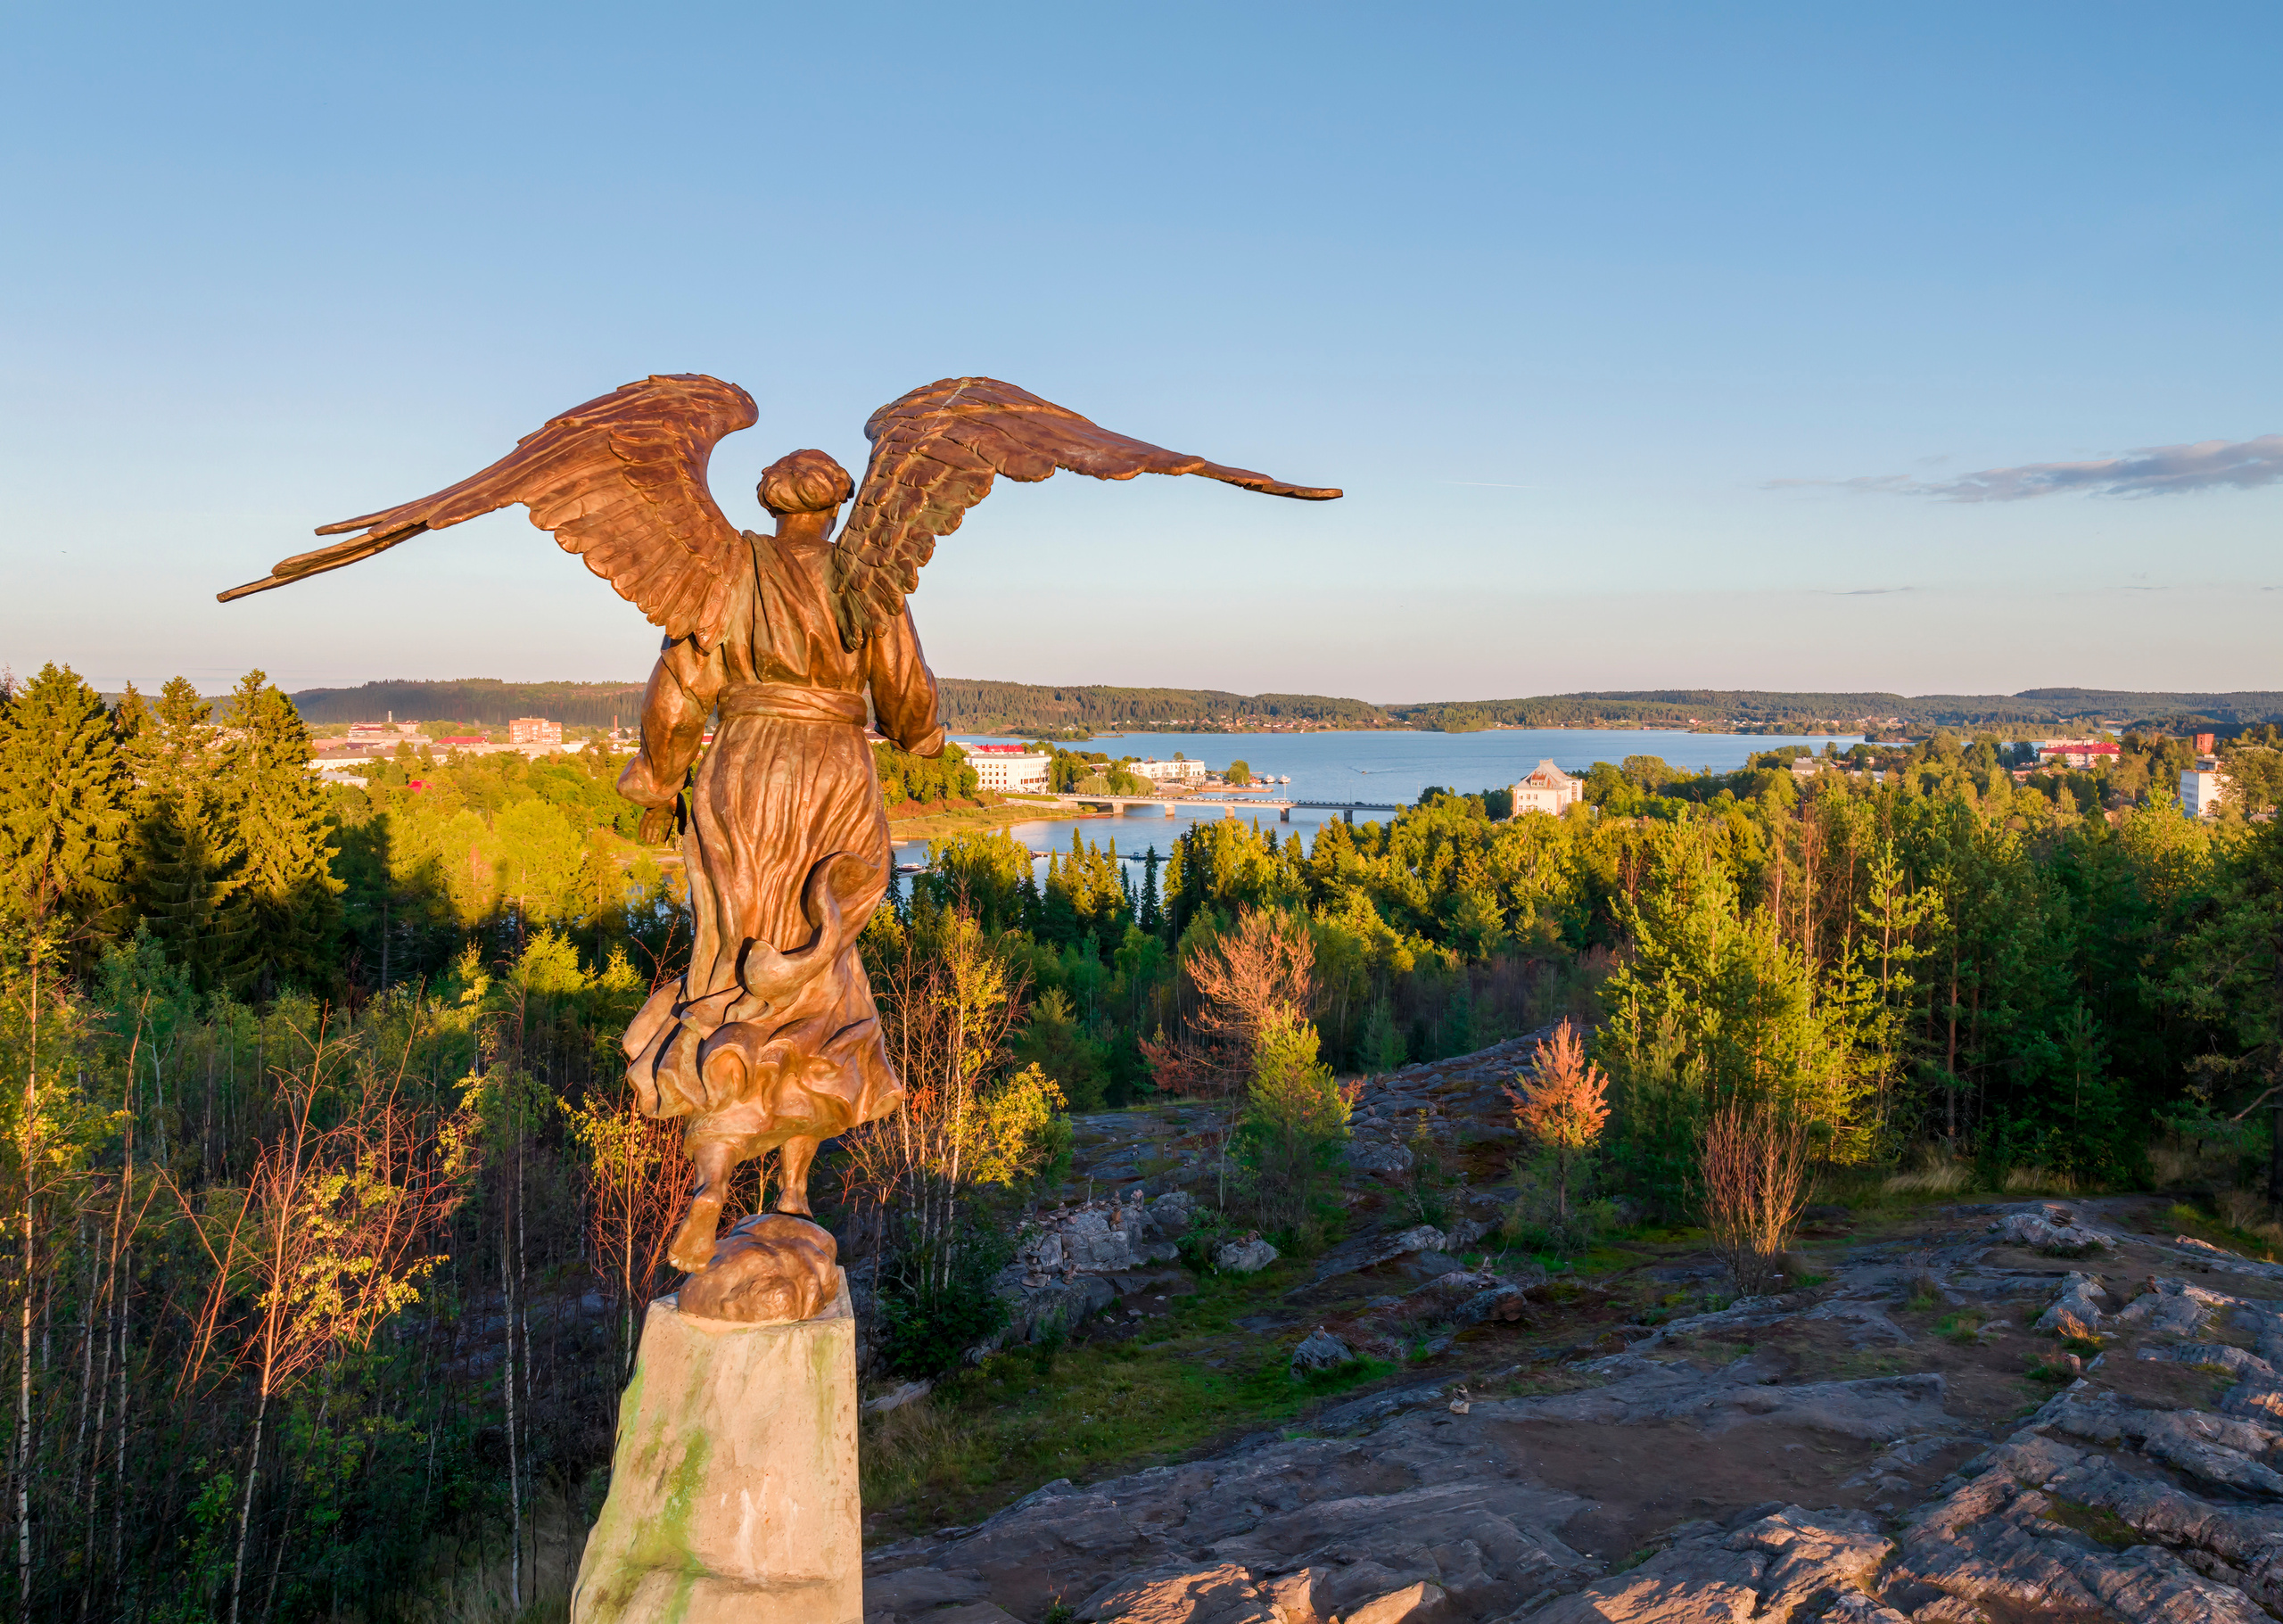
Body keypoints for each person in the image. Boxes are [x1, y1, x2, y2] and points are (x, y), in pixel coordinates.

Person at [616, 448, 944, 1271]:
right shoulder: (865, 580)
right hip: (833, 772)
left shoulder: (726, 571)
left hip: (744, 778)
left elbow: (677, 689)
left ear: (769, 505)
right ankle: (794, 1195)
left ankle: (715, 1177)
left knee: (728, 968)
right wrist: (921, 733)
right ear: (838, 506)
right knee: (821, 976)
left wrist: (659, 779)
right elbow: (904, 693)